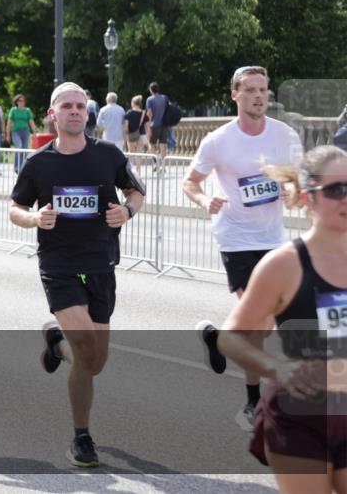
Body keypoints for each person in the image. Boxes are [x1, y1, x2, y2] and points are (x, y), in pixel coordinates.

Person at [8, 81, 145, 468]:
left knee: (95, 361)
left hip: (101, 262)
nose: (73, 111)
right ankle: (82, 437)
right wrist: (34, 217)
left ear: (88, 113)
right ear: (52, 113)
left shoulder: (108, 155)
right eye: (66, 106)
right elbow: (14, 208)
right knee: (86, 347)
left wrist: (128, 212)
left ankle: (55, 342)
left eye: (80, 106)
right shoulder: (38, 163)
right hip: (59, 265)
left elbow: (136, 193)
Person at [217, 145, 347, 494]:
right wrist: (277, 368)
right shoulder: (284, 265)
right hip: (299, 416)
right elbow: (230, 337)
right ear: (308, 197)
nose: (346, 199)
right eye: (336, 190)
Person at [183, 65, 303, 430]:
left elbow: (302, 183)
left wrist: (292, 191)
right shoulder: (218, 140)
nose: (259, 96)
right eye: (250, 89)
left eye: (263, 89)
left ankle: (219, 341)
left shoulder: (286, 135)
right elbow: (191, 182)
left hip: (274, 238)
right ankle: (253, 405)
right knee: (259, 321)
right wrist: (205, 202)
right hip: (235, 239)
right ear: (235, 95)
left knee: (262, 328)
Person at [6, 93, 37, 173]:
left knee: (25, 148)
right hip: (16, 131)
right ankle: (17, 167)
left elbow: (31, 122)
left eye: (23, 101)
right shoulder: (13, 110)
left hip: (25, 131)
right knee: (18, 147)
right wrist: (8, 135)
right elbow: (9, 123)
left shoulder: (27, 110)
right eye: (20, 101)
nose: (22, 102)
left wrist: (34, 132)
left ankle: (23, 166)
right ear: (17, 102)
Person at [145, 82, 170, 162]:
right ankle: (163, 164)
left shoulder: (149, 99)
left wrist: (148, 127)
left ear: (151, 90)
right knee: (163, 144)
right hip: (164, 124)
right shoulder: (164, 98)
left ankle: (155, 163)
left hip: (154, 124)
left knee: (152, 144)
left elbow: (149, 113)